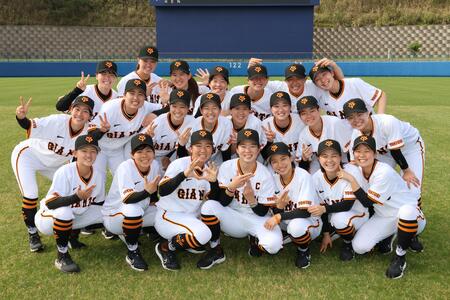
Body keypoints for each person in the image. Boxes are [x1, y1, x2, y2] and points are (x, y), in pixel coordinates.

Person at [11, 95, 94, 252]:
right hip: (28, 156)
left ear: (90, 116)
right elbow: (28, 124)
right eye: (77, 109)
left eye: (85, 111)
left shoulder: (87, 133)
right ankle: (33, 233)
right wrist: (21, 116)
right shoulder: (57, 121)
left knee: (72, 191)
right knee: (30, 193)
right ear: (70, 110)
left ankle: (70, 234)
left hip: (54, 165)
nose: (80, 114)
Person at [338, 135, 426, 279]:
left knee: (406, 211)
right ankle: (391, 234)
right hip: (384, 216)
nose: (362, 155)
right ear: (353, 154)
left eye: (366, 151)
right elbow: (334, 163)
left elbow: (367, 202)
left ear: (375, 153)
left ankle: (400, 257)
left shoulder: (383, 172)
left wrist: (352, 180)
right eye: (358, 151)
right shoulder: (357, 168)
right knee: (359, 247)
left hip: (411, 217)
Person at [196, 129, 282, 270]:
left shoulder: (265, 174)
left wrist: (251, 199)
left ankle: (255, 240)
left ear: (259, 149)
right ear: (237, 148)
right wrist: (231, 188)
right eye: (243, 146)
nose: (247, 151)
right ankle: (215, 249)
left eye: (252, 146)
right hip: (233, 215)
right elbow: (222, 202)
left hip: (257, 218)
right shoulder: (227, 167)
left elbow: (262, 212)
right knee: (209, 206)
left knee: (273, 246)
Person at [34, 135, 105, 273]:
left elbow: (99, 202)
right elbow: (51, 204)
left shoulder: (98, 175)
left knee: (106, 212)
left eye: (93, 151)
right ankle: (62, 255)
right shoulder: (65, 172)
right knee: (65, 212)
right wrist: (76, 197)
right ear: (75, 153)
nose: (89, 155)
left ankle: (72, 237)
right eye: (84, 151)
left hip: (73, 216)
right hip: (48, 218)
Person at [154, 130, 218, 271]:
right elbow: (162, 191)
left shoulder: (209, 169)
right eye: (198, 146)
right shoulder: (179, 164)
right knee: (204, 235)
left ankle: (185, 242)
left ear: (212, 149)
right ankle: (165, 247)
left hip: (190, 218)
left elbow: (213, 202)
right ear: (190, 149)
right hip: (169, 216)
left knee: (202, 236)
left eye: (208, 146)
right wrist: (183, 174)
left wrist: (214, 182)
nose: (203, 150)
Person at [343, 98, 425, 205]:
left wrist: (406, 171)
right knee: (375, 181)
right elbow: (354, 163)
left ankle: (416, 216)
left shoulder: (387, 122)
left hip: (409, 148)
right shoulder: (355, 134)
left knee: (412, 187)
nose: (356, 119)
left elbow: (396, 151)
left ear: (368, 112)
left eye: (359, 114)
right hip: (383, 152)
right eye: (351, 117)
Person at [102, 133, 161, 271]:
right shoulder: (125, 167)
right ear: (131, 154)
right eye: (139, 151)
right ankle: (132, 252)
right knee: (133, 209)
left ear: (154, 152)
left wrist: (153, 200)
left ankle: (159, 239)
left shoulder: (155, 164)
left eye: (148, 151)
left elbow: (153, 191)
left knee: (166, 209)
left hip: (140, 211)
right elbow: (128, 199)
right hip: (115, 215)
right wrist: (147, 192)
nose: (144, 155)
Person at [307, 139, 368, 261]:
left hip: (358, 213)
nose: (329, 160)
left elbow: (347, 205)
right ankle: (337, 232)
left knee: (339, 220)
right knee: (325, 217)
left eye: (334, 156)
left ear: (340, 157)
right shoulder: (316, 178)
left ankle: (347, 242)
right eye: (324, 156)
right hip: (334, 215)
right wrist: (326, 234)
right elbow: (320, 209)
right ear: (318, 158)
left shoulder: (351, 171)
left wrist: (324, 209)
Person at [264, 142, 322, 269]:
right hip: (285, 222)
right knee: (264, 245)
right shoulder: (272, 180)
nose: (280, 165)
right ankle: (287, 235)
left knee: (296, 227)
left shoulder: (303, 176)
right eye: (274, 161)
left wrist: (278, 216)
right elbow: (274, 210)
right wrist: (279, 208)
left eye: (283, 159)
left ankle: (303, 250)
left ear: (291, 158)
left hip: (309, 221)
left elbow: (305, 212)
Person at [88, 79, 161, 175]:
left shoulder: (146, 107)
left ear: (145, 97)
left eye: (140, 94)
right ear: (124, 95)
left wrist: (155, 113)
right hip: (99, 149)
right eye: (132, 93)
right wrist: (101, 131)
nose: (136, 98)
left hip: (118, 151)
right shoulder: (110, 108)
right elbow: (90, 135)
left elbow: (168, 107)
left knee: (124, 176)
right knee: (96, 179)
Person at [248, 58, 344, 114]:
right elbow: (257, 83)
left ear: (305, 79)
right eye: (290, 80)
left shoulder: (313, 86)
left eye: (298, 78)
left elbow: (339, 84)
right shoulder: (278, 87)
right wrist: (251, 68)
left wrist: (334, 66)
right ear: (285, 81)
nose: (294, 83)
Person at [309, 63, 387, 119]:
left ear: (332, 73)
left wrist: (380, 119)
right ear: (316, 84)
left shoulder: (354, 83)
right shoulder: (322, 97)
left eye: (324, 74)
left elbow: (381, 96)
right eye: (317, 79)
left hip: (368, 129)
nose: (323, 80)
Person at [296, 96, 352, 173]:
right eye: (304, 113)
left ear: (318, 110)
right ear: (300, 116)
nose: (308, 116)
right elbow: (302, 167)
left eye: (312, 111)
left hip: (344, 165)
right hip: (322, 170)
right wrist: (304, 158)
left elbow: (350, 151)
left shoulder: (335, 123)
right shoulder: (304, 135)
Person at [144, 89, 194, 170]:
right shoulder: (158, 122)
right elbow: (141, 148)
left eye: (182, 107)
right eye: (174, 106)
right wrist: (148, 140)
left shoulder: (191, 122)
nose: (178, 110)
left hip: (172, 154)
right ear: (169, 106)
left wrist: (169, 157)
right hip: (149, 155)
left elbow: (187, 153)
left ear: (188, 108)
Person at [187, 92, 233, 165]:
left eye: (214, 108)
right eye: (206, 108)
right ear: (201, 111)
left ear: (220, 110)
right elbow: (188, 152)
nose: (210, 112)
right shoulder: (193, 125)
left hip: (216, 162)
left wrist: (226, 169)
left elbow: (225, 150)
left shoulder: (226, 124)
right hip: (194, 162)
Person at [261, 91, 305, 159]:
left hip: (299, 165)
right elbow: (264, 157)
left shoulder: (301, 121)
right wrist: (269, 142)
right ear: (271, 109)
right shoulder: (265, 125)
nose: (281, 110)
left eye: (285, 105)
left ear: (291, 107)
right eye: (276, 106)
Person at [227, 93, 266, 157]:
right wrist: (234, 145)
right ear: (230, 110)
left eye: (245, 109)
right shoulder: (225, 124)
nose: (241, 112)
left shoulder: (255, 123)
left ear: (250, 111)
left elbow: (257, 150)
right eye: (237, 108)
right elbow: (225, 154)